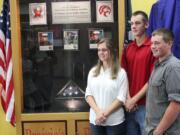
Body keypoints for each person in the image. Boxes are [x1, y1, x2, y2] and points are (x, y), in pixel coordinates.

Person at [121, 10, 156, 135]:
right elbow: (123, 77)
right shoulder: (128, 49)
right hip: (129, 105)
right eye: (131, 24)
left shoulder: (153, 48)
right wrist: (128, 98)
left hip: (146, 106)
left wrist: (133, 100)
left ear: (146, 25)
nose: (134, 26)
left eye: (137, 23)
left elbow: (152, 79)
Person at [85, 38, 128, 135]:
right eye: (99, 50)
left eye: (104, 50)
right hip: (96, 120)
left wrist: (104, 114)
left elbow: (121, 98)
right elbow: (88, 94)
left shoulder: (121, 73)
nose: (101, 52)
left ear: (111, 51)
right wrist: (98, 112)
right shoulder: (93, 72)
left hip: (115, 122)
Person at [145, 28, 180, 135]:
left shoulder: (173, 67)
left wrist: (158, 131)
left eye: (157, 43)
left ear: (169, 44)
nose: (153, 47)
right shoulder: (158, 65)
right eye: (152, 43)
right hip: (152, 129)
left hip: (165, 131)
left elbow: (176, 103)